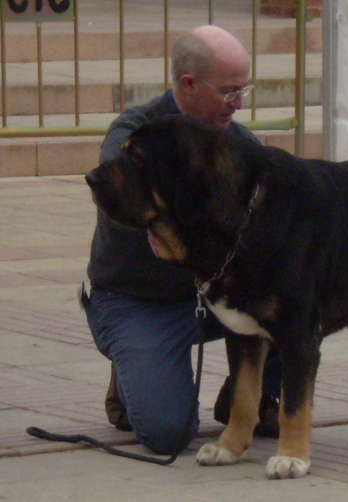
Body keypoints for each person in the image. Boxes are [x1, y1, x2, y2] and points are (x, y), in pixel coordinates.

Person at [82, 25, 281, 455]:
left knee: (305, 300)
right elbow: (118, 205)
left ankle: (245, 395)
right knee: (167, 434)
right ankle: (128, 364)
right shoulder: (134, 135)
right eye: (229, 92)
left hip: (213, 298)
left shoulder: (237, 142)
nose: (239, 103)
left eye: (243, 89)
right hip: (139, 300)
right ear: (189, 85)